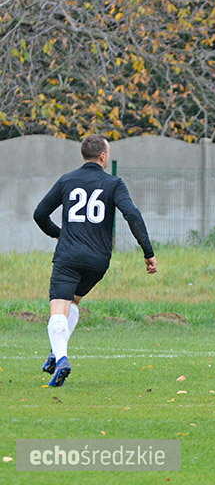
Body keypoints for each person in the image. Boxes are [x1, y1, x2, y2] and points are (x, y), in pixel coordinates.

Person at [33, 134, 157, 387]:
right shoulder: (114, 184)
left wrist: (60, 234)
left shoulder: (67, 180)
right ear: (103, 156)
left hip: (68, 256)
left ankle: (62, 358)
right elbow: (132, 214)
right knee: (73, 302)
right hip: (98, 261)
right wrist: (148, 252)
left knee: (58, 307)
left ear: (84, 155)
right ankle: (56, 353)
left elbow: (40, 214)